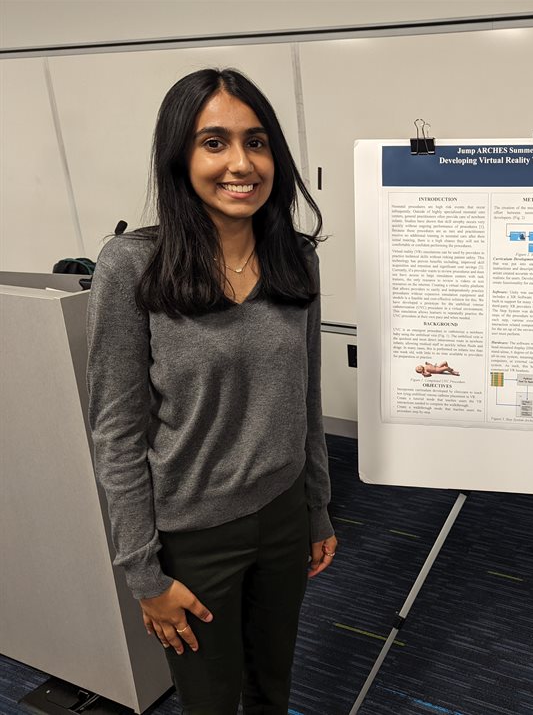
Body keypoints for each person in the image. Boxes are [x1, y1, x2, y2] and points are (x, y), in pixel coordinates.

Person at [86, 68, 336, 714]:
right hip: (195, 532)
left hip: (282, 514)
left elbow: (303, 401)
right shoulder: (133, 264)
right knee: (209, 700)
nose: (241, 163)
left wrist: (315, 507)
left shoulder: (295, 259)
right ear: (180, 155)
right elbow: (116, 431)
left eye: (256, 142)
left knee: (270, 687)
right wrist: (143, 573)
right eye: (214, 142)